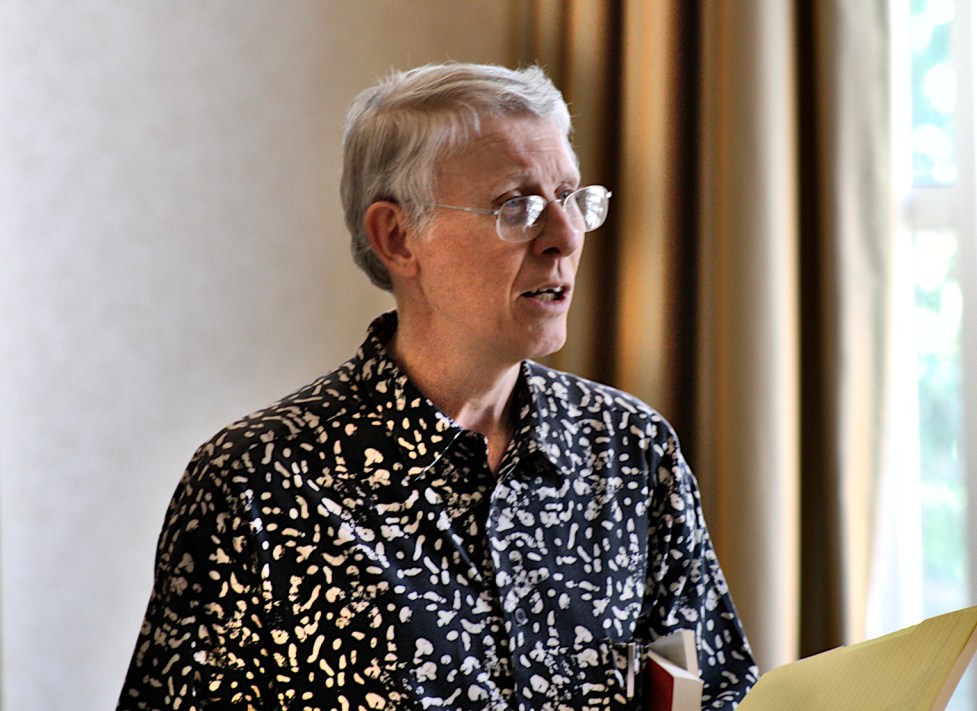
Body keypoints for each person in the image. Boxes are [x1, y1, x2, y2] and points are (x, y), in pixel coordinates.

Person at [118, 62, 758, 710]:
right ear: (398, 238)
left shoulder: (630, 450)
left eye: (569, 197)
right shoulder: (257, 484)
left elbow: (720, 693)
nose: (565, 237)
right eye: (517, 206)